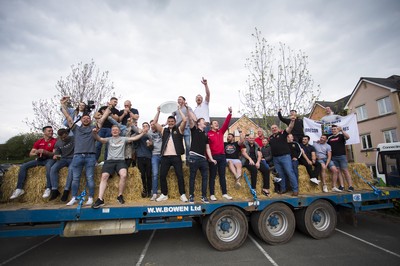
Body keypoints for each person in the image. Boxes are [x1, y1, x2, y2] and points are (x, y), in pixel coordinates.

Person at [91, 125, 148, 208]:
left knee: (124, 174)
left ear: (119, 131)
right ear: (111, 132)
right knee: (104, 176)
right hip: (109, 161)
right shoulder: (109, 139)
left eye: (116, 130)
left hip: (120, 161)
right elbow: (99, 139)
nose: (115, 131)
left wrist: (143, 133)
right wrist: (95, 133)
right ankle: (100, 199)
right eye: (113, 130)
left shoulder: (123, 139)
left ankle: (120, 196)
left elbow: (134, 138)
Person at [61, 97, 101, 206]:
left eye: (88, 118)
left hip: (90, 157)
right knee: (75, 178)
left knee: (90, 178)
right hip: (77, 156)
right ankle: (74, 197)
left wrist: (100, 116)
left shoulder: (93, 128)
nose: (86, 119)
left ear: (90, 120)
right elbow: (68, 117)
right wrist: (63, 105)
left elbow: (100, 123)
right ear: (81, 120)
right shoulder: (76, 129)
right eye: (84, 118)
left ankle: (91, 198)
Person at [10, 126, 56, 199]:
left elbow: (55, 154)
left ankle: (48, 188)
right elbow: (31, 154)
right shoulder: (39, 141)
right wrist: (37, 152)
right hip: (39, 159)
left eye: (52, 131)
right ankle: (19, 189)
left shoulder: (55, 141)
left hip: (49, 159)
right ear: (44, 132)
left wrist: (46, 152)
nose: (51, 132)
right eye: (49, 131)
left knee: (49, 167)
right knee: (23, 166)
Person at [154, 106, 188, 202]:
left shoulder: (179, 130)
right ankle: (164, 194)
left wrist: (179, 110)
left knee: (180, 175)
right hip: (165, 157)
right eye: (169, 122)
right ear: (167, 122)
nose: (170, 123)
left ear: (174, 122)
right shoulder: (163, 131)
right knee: (162, 175)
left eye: (172, 121)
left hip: (176, 157)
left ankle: (182, 194)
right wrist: (158, 112)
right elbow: (155, 123)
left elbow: (184, 120)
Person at [187, 109, 216, 203]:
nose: (205, 122)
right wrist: (187, 109)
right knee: (192, 177)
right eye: (203, 121)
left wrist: (211, 159)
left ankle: (203, 196)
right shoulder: (194, 130)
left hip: (203, 159)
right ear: (198, 123)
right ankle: (191, 196)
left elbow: (207, 148)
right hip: (194, 157)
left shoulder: (205, 135)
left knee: (205, 177)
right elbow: (191, 120)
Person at [268, 115, 299, 196]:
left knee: (289, 172)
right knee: (280, 174)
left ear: (278, 128)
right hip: (276, 158)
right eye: (272, 128)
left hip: (285, 157)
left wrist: (292, 121)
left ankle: (295, 190)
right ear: (271, 130)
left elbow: (290, 128)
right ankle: (283, 189)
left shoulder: (283, 133)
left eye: (275, 127)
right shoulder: (270, 138)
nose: (274, 129)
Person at [208, 107, 233, 201]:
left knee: (222, 175)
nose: (217, 124)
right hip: (213, 157)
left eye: (217, 123)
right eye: (214, 123)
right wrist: (209, 158)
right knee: (213, 176)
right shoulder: (208, 134)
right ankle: (212, 194)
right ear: (211, 126)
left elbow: (226, 124)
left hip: (222, 156)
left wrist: (230, 114)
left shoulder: (221, 132)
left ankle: (225, 193)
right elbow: (207, 148)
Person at [49, 128, 75, 201]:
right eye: (62, 137)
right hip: (63, 159)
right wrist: (56, 157)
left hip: (73, 158)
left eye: (65, 136)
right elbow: (58, 154)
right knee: (53, 168)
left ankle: (66, 190)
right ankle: (54, 190)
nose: (64, 139)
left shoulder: (73, 139)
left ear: (67, 134)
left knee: (71, 169)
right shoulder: (58, 143)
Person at [328, 125, 354, 192]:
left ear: (337, 130)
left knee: (345, 170)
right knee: (338, 171)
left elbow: (348, 137)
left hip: (342, 156)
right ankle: (341, 186)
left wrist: (342, 130)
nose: (333, 130)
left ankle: (350, 186)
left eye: (335, 129)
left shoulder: (341, 136)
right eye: (332, 129)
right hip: (334, 157)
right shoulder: (330, 138)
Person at [93, 97, 120, 162]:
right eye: (114, 101)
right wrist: (102, 115)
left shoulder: (116, 111)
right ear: (110, 101)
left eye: (116, 102)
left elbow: (117, 119)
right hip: (101, 128)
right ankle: (95, 161)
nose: (115, 103)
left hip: (110, 129)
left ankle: (106, 161)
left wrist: (109, 113)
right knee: (98, 145)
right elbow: (95, 115)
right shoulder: (103, 108)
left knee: (108, 146)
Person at [135, 122, 153, 198]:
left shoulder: (151, 136)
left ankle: (149, 191)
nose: (145, 127)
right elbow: (134, 144)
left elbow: (152, 149)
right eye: (143, 126)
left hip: (148, 157)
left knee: (149, 175)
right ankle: (143, 190)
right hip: (140, 157)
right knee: (142, 175)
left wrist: (150, 145)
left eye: (146, 126)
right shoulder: (139, 135)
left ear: (149, 128)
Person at [149, 108, 163, 201]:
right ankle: (154, 193)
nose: (153, 126)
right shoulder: (149, 133)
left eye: (154, 124)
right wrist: (149, 145)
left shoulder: (161, 131)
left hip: (163, 155)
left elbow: (155, 122)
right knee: (155, 174)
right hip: (154, 155)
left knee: (163, 174)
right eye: (151, 125)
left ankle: (163, 192)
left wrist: (158, 111)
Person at [172, 96, 192, 164]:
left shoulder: (188, 108)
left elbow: (191, 116)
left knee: (188, 145)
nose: (178, 100)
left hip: (186, 128)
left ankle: (188, 160)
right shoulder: (175, 109)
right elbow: (171, 117)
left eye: (180, 99)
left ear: (184, 100)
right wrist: (165, 124)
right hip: (179, 129)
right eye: (178, 99)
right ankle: (178, 160)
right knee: (178, 145)